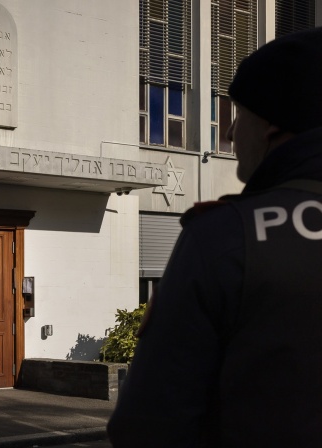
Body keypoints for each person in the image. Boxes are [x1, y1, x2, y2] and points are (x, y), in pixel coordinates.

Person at [107, 27, 322, 447]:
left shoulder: (226, 237)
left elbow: (149, 425)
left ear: (272, 127)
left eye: (237, 114)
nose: (228, 134)